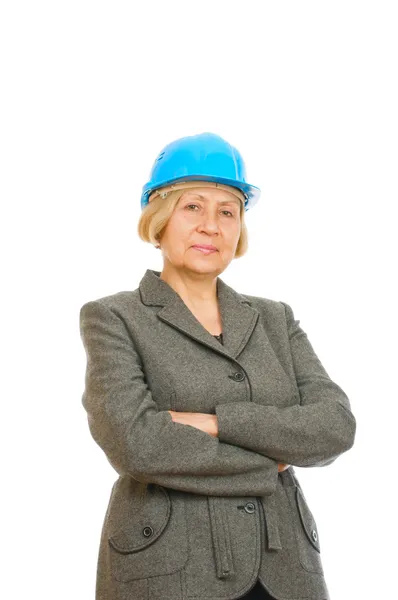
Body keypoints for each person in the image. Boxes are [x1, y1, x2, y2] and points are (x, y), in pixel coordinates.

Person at [79, 131, 356, 600]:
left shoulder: (276, 318)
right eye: (193, 207)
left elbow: (334, 428)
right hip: (169, 568)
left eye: (227, 211)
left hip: (285, 567)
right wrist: (274, 458)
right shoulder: (113, 317)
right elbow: (137, 444)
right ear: (160, 220)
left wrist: (214, 422)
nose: (212, 226)